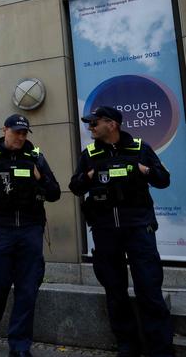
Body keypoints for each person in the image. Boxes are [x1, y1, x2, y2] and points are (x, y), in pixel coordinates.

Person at [69, 106, 174, 357]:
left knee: (149, 289)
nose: (90, 127)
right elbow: (74, 186)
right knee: (115, 292)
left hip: (138, 228)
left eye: (95, 123)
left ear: (112, 124)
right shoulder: (90, 154)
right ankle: (127, 345)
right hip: (106, 232)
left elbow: (163, 179)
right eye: (89, 123)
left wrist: (143, 170)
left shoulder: (139, 148)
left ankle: (160, 349)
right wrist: (89, 176)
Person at [0, 114, 60, 357]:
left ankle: (19, 345)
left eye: (24, 133)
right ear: (4, 130)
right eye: (16, 132)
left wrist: (41, 178)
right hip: (0, 230)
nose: (21, 137)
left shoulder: (35, 158)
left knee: (27, 289)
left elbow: (55, 192)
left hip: (30, 230)